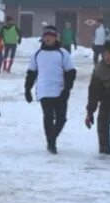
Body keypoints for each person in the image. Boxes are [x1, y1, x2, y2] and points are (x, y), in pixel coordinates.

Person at [24, 26, 76, 154]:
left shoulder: (63, 53)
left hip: (60, 90)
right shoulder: (37, 54)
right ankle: (51, 144)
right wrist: (27, 89)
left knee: (61, 119)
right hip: (44, 91)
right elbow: (31, 73)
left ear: (55, 37)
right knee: (48, 116)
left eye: (51, 35)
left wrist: (67, 89)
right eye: (45, 35)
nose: (48, 38)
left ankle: (51, 139)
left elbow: (71, 73)